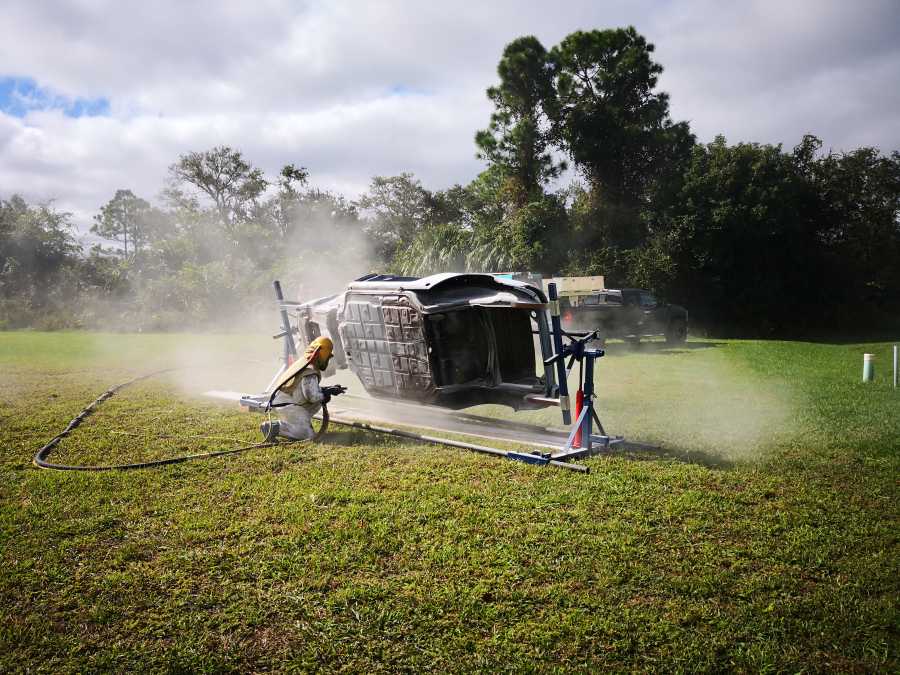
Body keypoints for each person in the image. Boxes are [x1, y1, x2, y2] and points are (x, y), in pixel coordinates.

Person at [264, 336, 334, 440]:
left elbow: (305, 390)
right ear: (323, 354)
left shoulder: (305, 364)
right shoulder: (310, 371)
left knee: (316, 405)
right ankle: (273, 427)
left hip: (286, 402)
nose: (327, 360)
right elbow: (312, 397)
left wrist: (326, 390)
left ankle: (300, 425)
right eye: (327, 357)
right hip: (288, 405)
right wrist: (325, 394)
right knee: (307, 435)